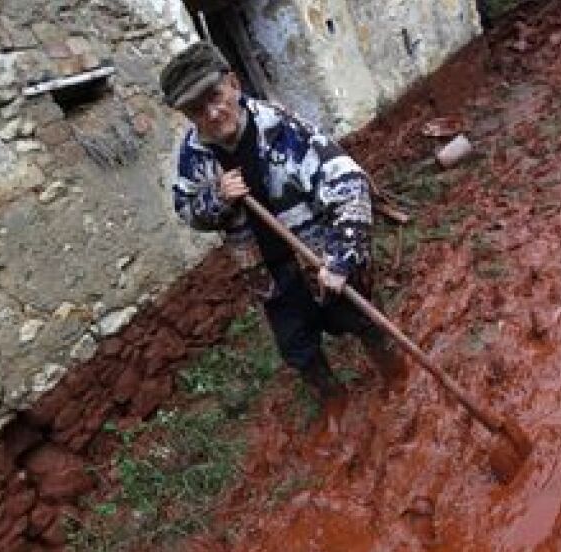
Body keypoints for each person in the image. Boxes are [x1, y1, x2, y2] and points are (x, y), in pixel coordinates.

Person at [159, 41, 404, 401]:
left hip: (318, 259)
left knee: (366, 322)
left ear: (233, 84)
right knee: (300, 351)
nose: (211, 113)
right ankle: (337, 408)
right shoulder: (193, 154)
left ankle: (399, 382)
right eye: (196, 109)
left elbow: (349, 183)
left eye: (215, 96)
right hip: (268, 276)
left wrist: (341, 257)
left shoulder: (282, 128)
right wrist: (217, 198)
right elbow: (186, 208)